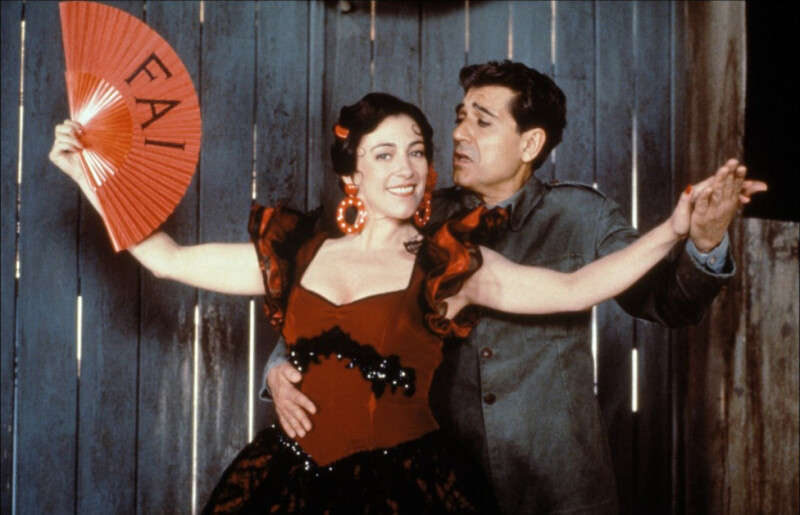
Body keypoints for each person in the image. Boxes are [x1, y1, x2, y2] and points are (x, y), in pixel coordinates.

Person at [263, 61, 768, 514]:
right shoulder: (418, 215)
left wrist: (704, 240)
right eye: (460, 117)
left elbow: (669, 303)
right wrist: (279, 368)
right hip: (445, 477)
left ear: (530, 144)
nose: (458, 133)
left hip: (559, 482)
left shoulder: (583, 215)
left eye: (481, 122)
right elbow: (328, 290)